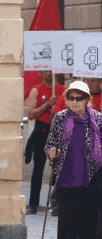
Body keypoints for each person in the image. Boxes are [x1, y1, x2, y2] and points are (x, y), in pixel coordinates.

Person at [45, 81, 102, 239]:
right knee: (68, 217)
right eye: (71, 98)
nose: (74, 102)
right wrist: (51, 152)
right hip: (66, 174)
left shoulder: (98, 119)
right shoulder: (59, 118)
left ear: (87, 100)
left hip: (92, 176)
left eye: (79, 98)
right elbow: (50, 143)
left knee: (89, 219)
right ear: (66, 100)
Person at [26, 70, 65, 214]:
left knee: (59, 168)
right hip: (42, 131)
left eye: (51, 71)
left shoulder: (63, 90)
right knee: (38, 168)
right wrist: (48, 105)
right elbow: (30, 114)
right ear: (41, 74)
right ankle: (33, 204)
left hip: (58, 131)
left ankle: (56, 203)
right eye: (45, 71)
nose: (49, 73)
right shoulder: (36, 90)